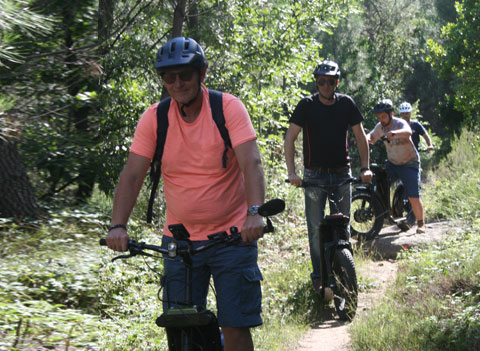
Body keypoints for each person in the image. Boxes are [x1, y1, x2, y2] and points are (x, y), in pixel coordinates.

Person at [105, 36, 265, 351]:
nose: (178, 83)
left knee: (235, 326)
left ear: (202, 73)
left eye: (185, 75)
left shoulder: (227, 108)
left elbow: (252, 163)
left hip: (232, 237)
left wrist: (254, 212)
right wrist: (118, 224)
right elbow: (133, 173)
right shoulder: (155, 118)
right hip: (179, 243)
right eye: (169, 76)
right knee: (179, 330)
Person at [284, 59, 372, 293]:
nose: (325, 86)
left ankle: (346, 274)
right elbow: (290, 137)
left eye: (330, 82)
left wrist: (365, 168)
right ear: (316, 82)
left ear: (337, 82)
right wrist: (292, 173)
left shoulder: (347, 104)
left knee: (343, 226)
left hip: (342, 173)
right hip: (314, 176)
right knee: (315, 229)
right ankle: (319, 277)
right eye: (321, 82)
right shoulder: (306, 105)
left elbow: (361, 137)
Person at [366, 99, 426, 234]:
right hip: (392, 164)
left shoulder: (400, 123)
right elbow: (372, 137)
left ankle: (421, 223)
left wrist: (394, 133)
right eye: (379, 117)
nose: (381, 119)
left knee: (413, 196)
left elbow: (408, 132)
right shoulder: (380, 127)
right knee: (379, 185)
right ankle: (385, 213)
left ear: (391, 114)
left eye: (383, 116)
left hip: (410, 163)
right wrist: (364, 138)